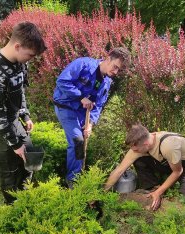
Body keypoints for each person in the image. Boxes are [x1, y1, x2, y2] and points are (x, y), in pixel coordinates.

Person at [0, 22, 47, 204]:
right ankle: (12, 206)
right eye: (29, 55)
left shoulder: (19, 63)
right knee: (9, 169)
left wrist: (25, 115)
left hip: (12, 119)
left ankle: (26, 196)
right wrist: (15, 145)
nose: (30, 59)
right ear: (17, 46)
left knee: (29, 158)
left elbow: (19, 90)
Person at [53, 47, 131, 188]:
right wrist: (81, 97)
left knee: (83, 140)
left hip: (83, 112)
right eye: (115, 67)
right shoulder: (83, 64)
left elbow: (98, 105)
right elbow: (62, 81)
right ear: (108, 58)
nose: (115, 72)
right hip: (65, 106)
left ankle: (79, 173)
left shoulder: (106, 83)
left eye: (118, 70)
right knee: (77, 140)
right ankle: (73, 181)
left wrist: (90, 124)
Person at [104, 124, 185, 214]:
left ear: (145, 144)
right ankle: (152, 188)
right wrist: (103, 192)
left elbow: (178, 171)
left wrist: (159, 192)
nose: (133, 151)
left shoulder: (168, 145)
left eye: (136, 149)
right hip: (172, 162)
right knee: (138, 159)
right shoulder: (142, 144)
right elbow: (119, 171)